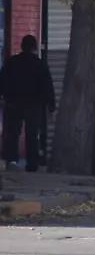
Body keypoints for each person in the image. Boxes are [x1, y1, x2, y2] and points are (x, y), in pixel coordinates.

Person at [0, 35, 56, 172]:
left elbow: (1, 81)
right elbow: (48, 86)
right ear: (35, 47)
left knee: (13, 133)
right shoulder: (40, 64)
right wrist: (51, 108)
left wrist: (3, 98)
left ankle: (12, 160)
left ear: (22, 46)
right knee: (32, 135)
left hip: (13, 103)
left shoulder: (12, 62)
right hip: (34, 105)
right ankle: (32, 164)